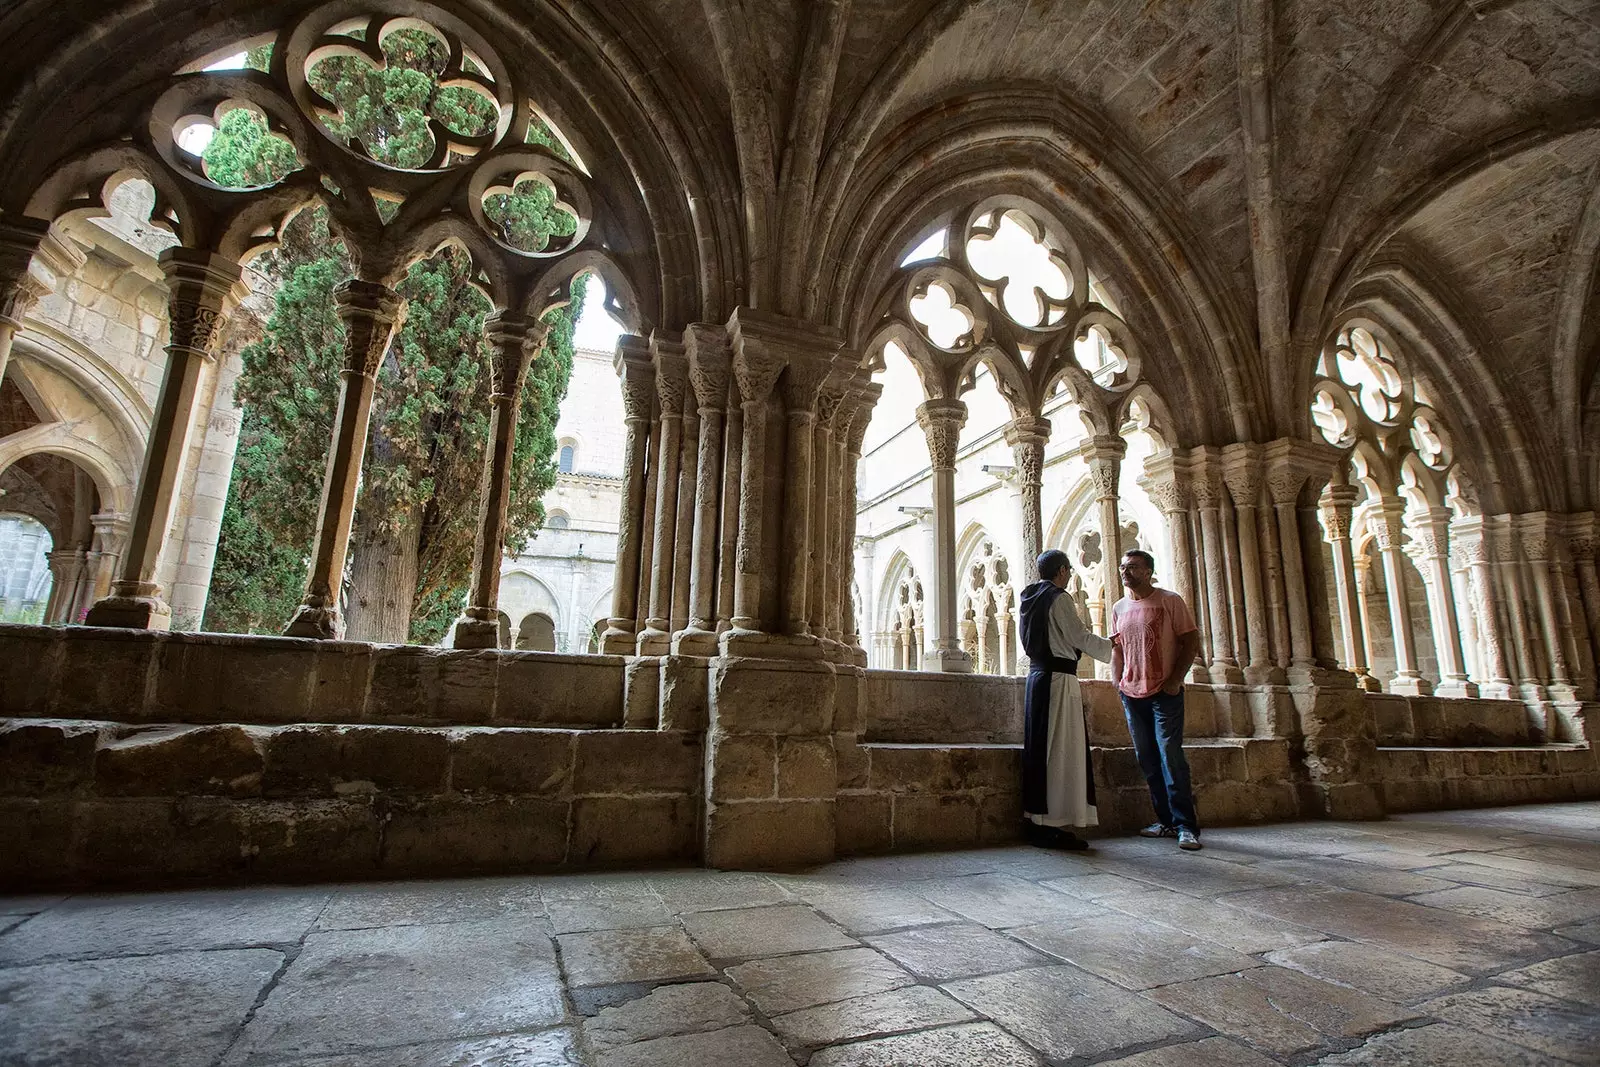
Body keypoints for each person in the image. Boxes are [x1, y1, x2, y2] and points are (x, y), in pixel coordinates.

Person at [1018, 548, 1113, 850]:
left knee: (1042, 749)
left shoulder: (1029, 598)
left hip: (1039, 680)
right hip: (1058, 682)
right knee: (1059, 751)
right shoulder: (1059, 598)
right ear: (1060, 571)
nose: (1071, 575)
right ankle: (1052, 824)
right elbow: (1079, 637)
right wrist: (1114, 648)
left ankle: (1038, 820)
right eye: (1069, 570)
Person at [1110, 549, 1203, 851]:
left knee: (1170, 757)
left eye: (1133, 567)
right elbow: (1117, 649)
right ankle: (1165, 821)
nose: (1126, 572)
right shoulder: (1119, 607)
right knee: (1148, 759)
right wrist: (1117, 682)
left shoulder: (1169, 600)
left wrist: (1176, 680)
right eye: (1123, 567)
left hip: (1165, 691)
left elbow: (1190, 640)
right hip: (1132, 693)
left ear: (1148, 571)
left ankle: (1186, 826)